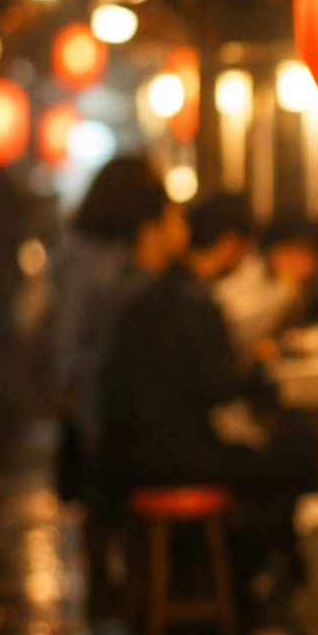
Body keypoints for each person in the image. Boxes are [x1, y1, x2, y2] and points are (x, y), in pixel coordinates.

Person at [98, 191, 262, 495]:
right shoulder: (185, 298)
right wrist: (258, 371)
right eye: (177, 222)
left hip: (133, 448)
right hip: (167, 454)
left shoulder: (159, 290)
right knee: (282, 457)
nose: (185, 232)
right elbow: (216, 385)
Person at [51, 157, 188, 499]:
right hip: (95, 391)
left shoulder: (98, 252)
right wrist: (81, 402)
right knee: (99, 492)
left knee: (104, 494)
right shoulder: (100, 259)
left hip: (101, 391)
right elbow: (78, 335)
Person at [214, 212, 318, 361]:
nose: (302, 262)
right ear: (273, 250)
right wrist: (283, 291)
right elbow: (235, 329)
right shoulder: (249, 274)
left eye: (307, 253)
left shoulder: (307, 291)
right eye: (293, 251)